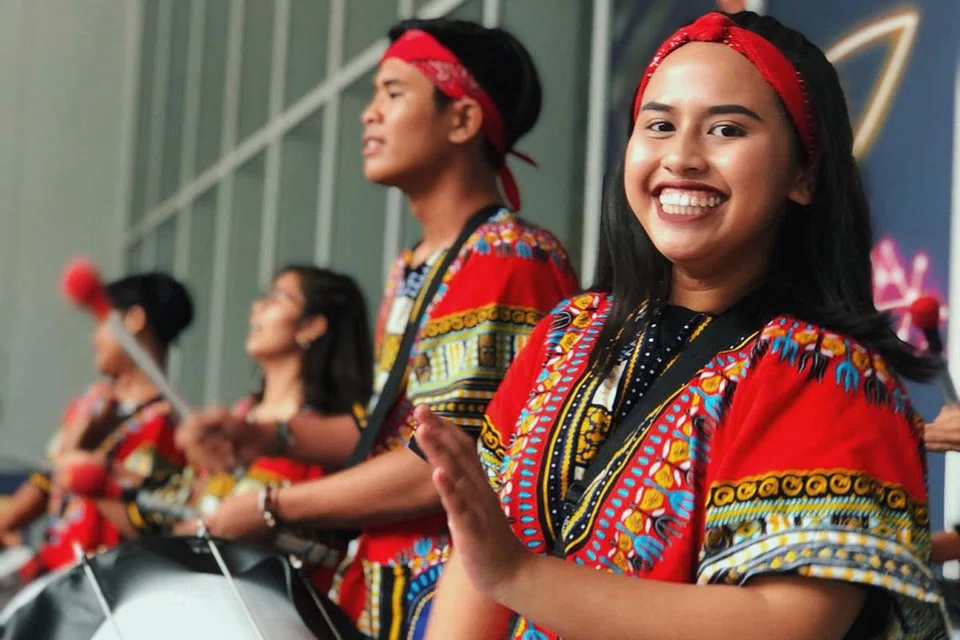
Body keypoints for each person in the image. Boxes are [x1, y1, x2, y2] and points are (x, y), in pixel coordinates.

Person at [415, 11, 949, 640]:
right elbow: (478, 562)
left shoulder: (825, 371)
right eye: (659, 125)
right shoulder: (564, 336)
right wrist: (500, 572)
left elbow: (785, 625)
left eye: (726, 129)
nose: (682, 157)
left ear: (804, 174)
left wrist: (519, 576)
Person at [175, 17, 579, 639]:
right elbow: (385, 435)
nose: (368, 115)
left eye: (393, 93)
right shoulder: (414, 265)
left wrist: (270, 505)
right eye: (373, 95)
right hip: (386, 588)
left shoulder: (509, 258)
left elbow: (441, 461)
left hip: (456, 598)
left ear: (462, 120)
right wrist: (258, 434)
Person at [130, 266, 372, 591]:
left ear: (312, 325)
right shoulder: (238, 416)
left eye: (277, 297)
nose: (256, 307)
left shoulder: (329, 437)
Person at [0, 272, 193, 583]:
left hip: (106, 590)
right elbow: (49, 479)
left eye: (101, 325)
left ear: (133, 319)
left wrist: (95, 475)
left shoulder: (169, 425)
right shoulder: (90, 403)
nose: (94, 338)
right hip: (50, 575)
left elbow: (152, 529)